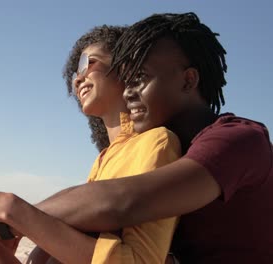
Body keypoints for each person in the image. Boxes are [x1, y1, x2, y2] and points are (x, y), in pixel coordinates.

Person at [0, 25, 182, 263]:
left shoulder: (155, 142)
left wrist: (12, 214)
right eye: (75, 71)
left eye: (88, 62)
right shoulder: (105, 159)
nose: (78, 77)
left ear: (125, 67)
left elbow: (140, 260)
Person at [32, 12, 272, 263]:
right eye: (126, 83)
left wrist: (13, 213)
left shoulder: (237, 139)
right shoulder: (162, 147)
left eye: (140, 79)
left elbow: (123, 203)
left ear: (188, 80)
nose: (129, 94)